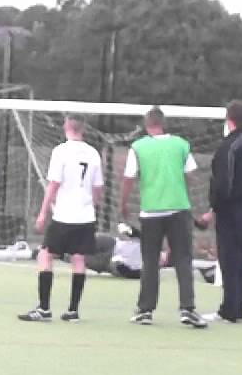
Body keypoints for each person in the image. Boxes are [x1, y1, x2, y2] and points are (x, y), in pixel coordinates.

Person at [118, 106, 207, 328]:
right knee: (183, 260)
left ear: (147, 125)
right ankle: (188, 309)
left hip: (151, 212)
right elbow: (192, 175)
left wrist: (123, 205)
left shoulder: (137, 147)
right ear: (163, 123)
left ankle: (145, 310)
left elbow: (128, 178)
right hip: (179, 209)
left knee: (150, 261)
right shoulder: (180, 144)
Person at [18, 114, 103, 323]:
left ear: (66, 126)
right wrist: (91, 205)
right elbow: (98, 189)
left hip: (64, 214)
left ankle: (44, 309)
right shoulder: (93, 153)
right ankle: (73, 310)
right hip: (85, 216)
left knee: (45, 255)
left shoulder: (61, 152)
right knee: (78, 258)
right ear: (83, 129)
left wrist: (42, 213)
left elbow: (53, 185)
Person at [200, 100, 242, 323]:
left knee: (228, 259)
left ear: (229, 120)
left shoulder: (228, 147)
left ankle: (228, 310)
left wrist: (213, 210)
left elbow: (223, 183)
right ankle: (238, 308)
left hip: (231, 211)